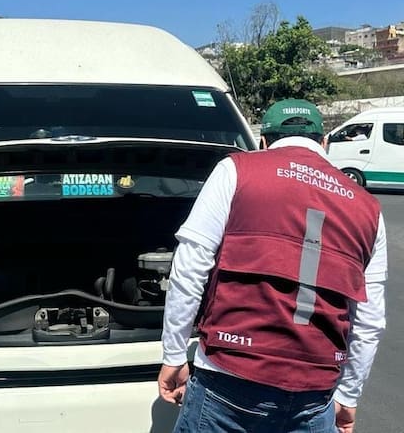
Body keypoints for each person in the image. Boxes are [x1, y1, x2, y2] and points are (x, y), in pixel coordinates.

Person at [157, 98, 387, 433]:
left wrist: (175, 354)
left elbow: (191, 264)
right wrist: (348, 396)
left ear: (263, 141)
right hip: (314, 393)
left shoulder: (237, 170)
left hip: (230, 377)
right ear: (324, 142)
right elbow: (369, 319)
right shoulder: (369, 209)